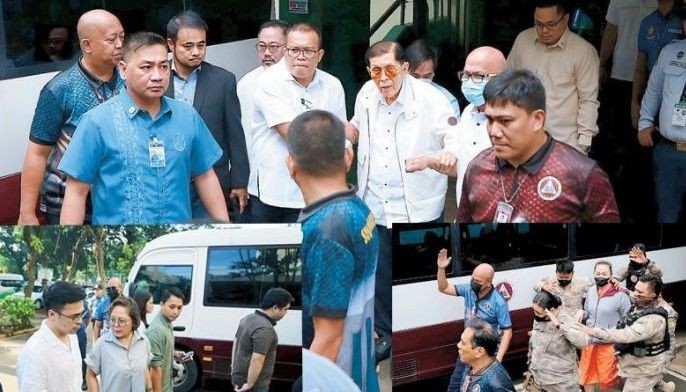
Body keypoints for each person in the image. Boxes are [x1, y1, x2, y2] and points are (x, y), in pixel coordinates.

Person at [351, 40, 459, 358]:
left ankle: (424, 334)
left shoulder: (432, 99)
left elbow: (453, 138)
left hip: (417, 205)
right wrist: (344, 136)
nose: (382, 78)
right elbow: (357, 126)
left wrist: (441, 156)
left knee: (419, 272)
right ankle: (385, 334)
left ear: (405, 68)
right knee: (379, 271)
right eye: (375, 71)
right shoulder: (366, 94)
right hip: (374, 202)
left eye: (389, 70)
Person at [58, 31, 229, 224]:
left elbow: (205, 175)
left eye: (163, 66)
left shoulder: (187, 116)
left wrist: (226, 231)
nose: (157, 76)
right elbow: (76, 193)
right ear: (123, 69)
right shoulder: (96, 122)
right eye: (146, 67)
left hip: (177, 242)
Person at [289, 110, 379, 392]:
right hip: (359, 368)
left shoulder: (327, 229)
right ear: (347, 158)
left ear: (291, 165)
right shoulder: (358, 207)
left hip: (337, 378)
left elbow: (328, 338)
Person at [457, 69, 620, 223]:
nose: (494, 131)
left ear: (537, 120)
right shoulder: (477, 168)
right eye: (490, 120)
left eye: (505, 121)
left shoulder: (583, 175)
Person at [18, 9, 125, 225]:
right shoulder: (59, 90)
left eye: (122, 37)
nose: (120, 44)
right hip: (66, 202)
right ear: (87, 45)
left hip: (117, 200)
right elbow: (37, 153)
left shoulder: (130, 80)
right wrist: (26, 213)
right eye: (111, 39)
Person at [248, 22, 347, 223]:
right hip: (272, 192)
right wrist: (336, 135)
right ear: (285, 52)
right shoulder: (268, 81)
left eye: (308, 51)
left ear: (320, 55)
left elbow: (342, 138)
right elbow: (294, 134)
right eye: (294, 50)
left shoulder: (333, 85)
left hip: (318, 193)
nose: (300, 56)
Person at [165, 11, 249, 221]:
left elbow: (235, 134)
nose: (196, 52)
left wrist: (239, 181)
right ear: (171, 44)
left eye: (201, 45)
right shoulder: (156, 78)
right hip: (167, 180)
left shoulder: (223, 81)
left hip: (213, 178)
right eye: (188, 46)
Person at [507, 0, 599, 153]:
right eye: (539, 24)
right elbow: (507, 82)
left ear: (565, 19)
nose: (544, 30)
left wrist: (583, 145)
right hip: (522, 139)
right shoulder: (523, 40)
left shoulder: (584, 51)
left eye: (550, 24)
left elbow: (588, 100)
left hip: (563, 143)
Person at [596, 0, 656, 223]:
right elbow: (612, 30)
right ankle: (621, 202)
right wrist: (602, 63)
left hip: (652, 79)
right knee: (621, 140)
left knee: (644, 145)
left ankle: (640, 201)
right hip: (620, 76)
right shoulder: (618, 0)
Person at [637, 3, 686, 222]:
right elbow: (653, 91)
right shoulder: (670, 51)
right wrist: (644, 123)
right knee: (667, 216)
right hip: (668, 151)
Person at [436, 251, 512, 392]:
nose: (473, 283)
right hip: (467, 350)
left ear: (489, 283)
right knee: (455, 386)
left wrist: (498, 359)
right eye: (473, 278)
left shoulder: (498, 302)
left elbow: (507, 331)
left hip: (483, 353)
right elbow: (444, 287)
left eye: (478, 281)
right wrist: (441, 268)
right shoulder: (468, 290)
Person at [584, 274, 673, 392]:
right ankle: (665, 388)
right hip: (631, 365)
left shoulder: (654, 319)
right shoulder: (642, 302)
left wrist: (596, 332)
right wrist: (620, 288)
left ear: (652, 296)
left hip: (645, 370)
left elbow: (627, 334)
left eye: (639, 292)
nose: (635, 294)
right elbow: (632, 294)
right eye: (635, 289)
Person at [454, 46, 507, 206]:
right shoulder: (468, 112)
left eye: (477, 76)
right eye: (466, 75)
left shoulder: (515, 120)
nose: (469, 82)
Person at [16, 281, 86, 391]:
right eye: (74, 316)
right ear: (52, 314)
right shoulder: (34, 353)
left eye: (81, 314)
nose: (80, 321)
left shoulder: (72, 336)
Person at [237, 20, 288, 159]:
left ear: (288, 47)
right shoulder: (246, 84)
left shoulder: (299, 81)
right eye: (262, 46)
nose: (266, 53)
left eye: (273, 47)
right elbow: (245, 131)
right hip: (257, 166)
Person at [579, 261, 631, 392]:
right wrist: (581, 313)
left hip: (609, 344)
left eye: (604, 274)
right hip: (589, 342)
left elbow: (628, 321)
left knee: (607, 380)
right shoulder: (591, 291)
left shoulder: (620, 295)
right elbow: (588, 313)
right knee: (586, 375)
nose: (600, 276)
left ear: (611, 275)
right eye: (597, 273)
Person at [231, 288, 294, 392]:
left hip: (238, 380)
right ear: (275, 308)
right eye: (286, 309)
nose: (286, 313)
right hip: (255, 386)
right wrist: (250, 384)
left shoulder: (247, 318)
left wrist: (233, 369)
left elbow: (235, 342)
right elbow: (257, 359)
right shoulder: (265, 328)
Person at [631, 0, 682, 130]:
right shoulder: (647, 22)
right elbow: (640, 67)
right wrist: (635, 101)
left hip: (676, 98)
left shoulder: (682, 19)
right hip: (650, 95)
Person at [85, 297, 152, 392]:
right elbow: (90, 375)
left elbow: (145, 369)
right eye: (112, 320)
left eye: (121, 321)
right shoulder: (102, 344)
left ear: (133, 321)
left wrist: (150, 388)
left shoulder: (143, 341)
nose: (116, 325)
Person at [527, 291, 588, 392]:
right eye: (534, 310)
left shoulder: (565, 320)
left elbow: (582, 342)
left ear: (551, 310)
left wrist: (559, 325)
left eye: (538, 312)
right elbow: (534, 342)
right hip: (540, 381)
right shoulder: (539, 319)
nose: (535, 314)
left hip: (562, 384)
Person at [455, 318, 516, 392]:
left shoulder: (497, 384)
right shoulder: (470, 367)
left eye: (463, 343)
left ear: (479, 352)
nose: (459, 345)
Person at [405, 38, 461, 116]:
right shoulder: (390, 96)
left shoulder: (447, 101)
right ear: (403, 71)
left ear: (434, 73)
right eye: (415, 76)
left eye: (427, 76)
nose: (421, 82)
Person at [146, 287, 187, 392]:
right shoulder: (156, 331)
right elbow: (154, 369)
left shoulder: (167, 323)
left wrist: (175, 353)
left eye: (179, 308)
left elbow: (162, 350)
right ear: (161, 304)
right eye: (172, 307)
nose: (175, 312)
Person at [93, 277, 123, 341]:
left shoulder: (128, 304)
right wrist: (95, 344)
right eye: (108, 289)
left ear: (121, 288)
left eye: (113, 288)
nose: (111, 290)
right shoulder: (102, 305)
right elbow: (97, 326)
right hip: (106, 342)